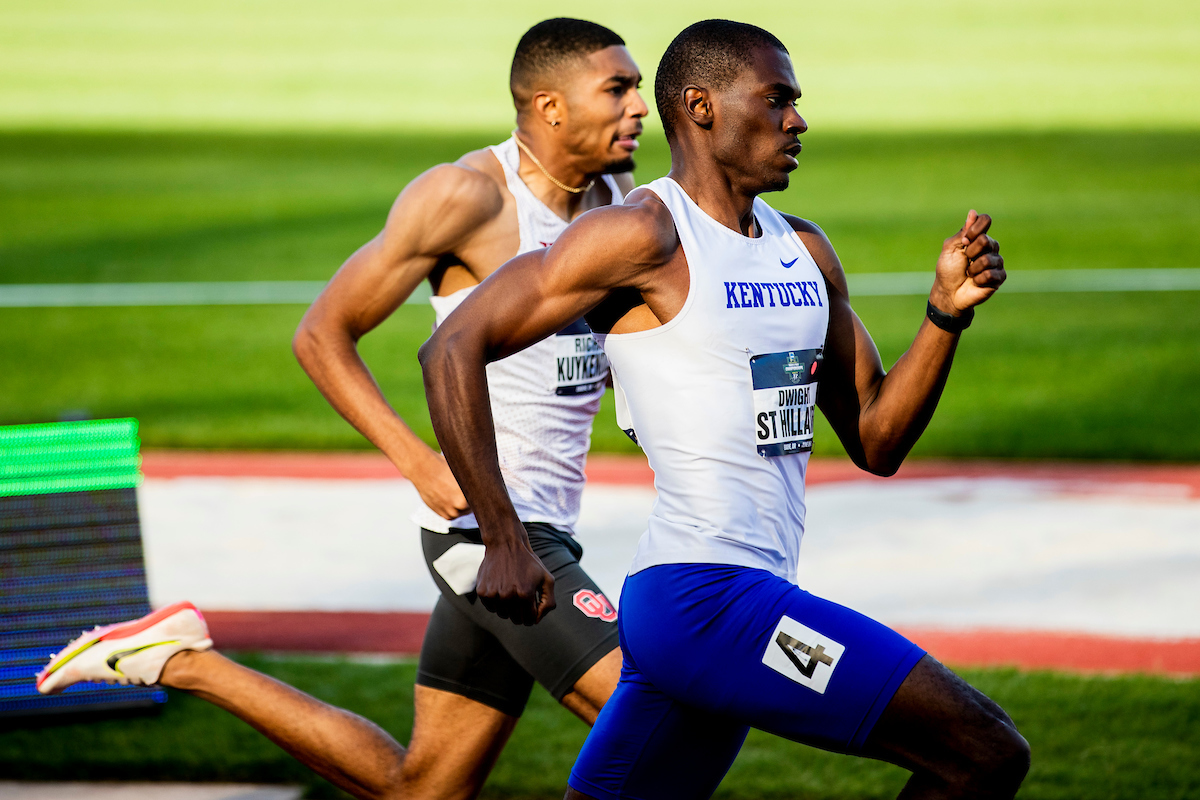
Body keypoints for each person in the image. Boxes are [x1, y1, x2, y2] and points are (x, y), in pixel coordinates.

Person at [418, 19, 1030, 800]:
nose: (798, 120)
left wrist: (945, 314)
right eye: (776, 100)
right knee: (985, 753)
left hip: (722, 607)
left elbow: (877, 437)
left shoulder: (804, 251)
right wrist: (503, 536)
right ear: (702, 108)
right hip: (705, 600)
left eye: (796, 103)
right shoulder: (641, 235)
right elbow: (451, 348)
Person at [37, 18, 648, 800]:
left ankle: (179, 660)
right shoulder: (467, 197)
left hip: (547, 525)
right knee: (643, 716)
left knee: (422, 789)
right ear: (550, 105)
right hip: (484, 532)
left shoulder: (617, 204)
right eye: (618, 89)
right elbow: (322, 333)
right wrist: (417, 460)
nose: (638, 107)